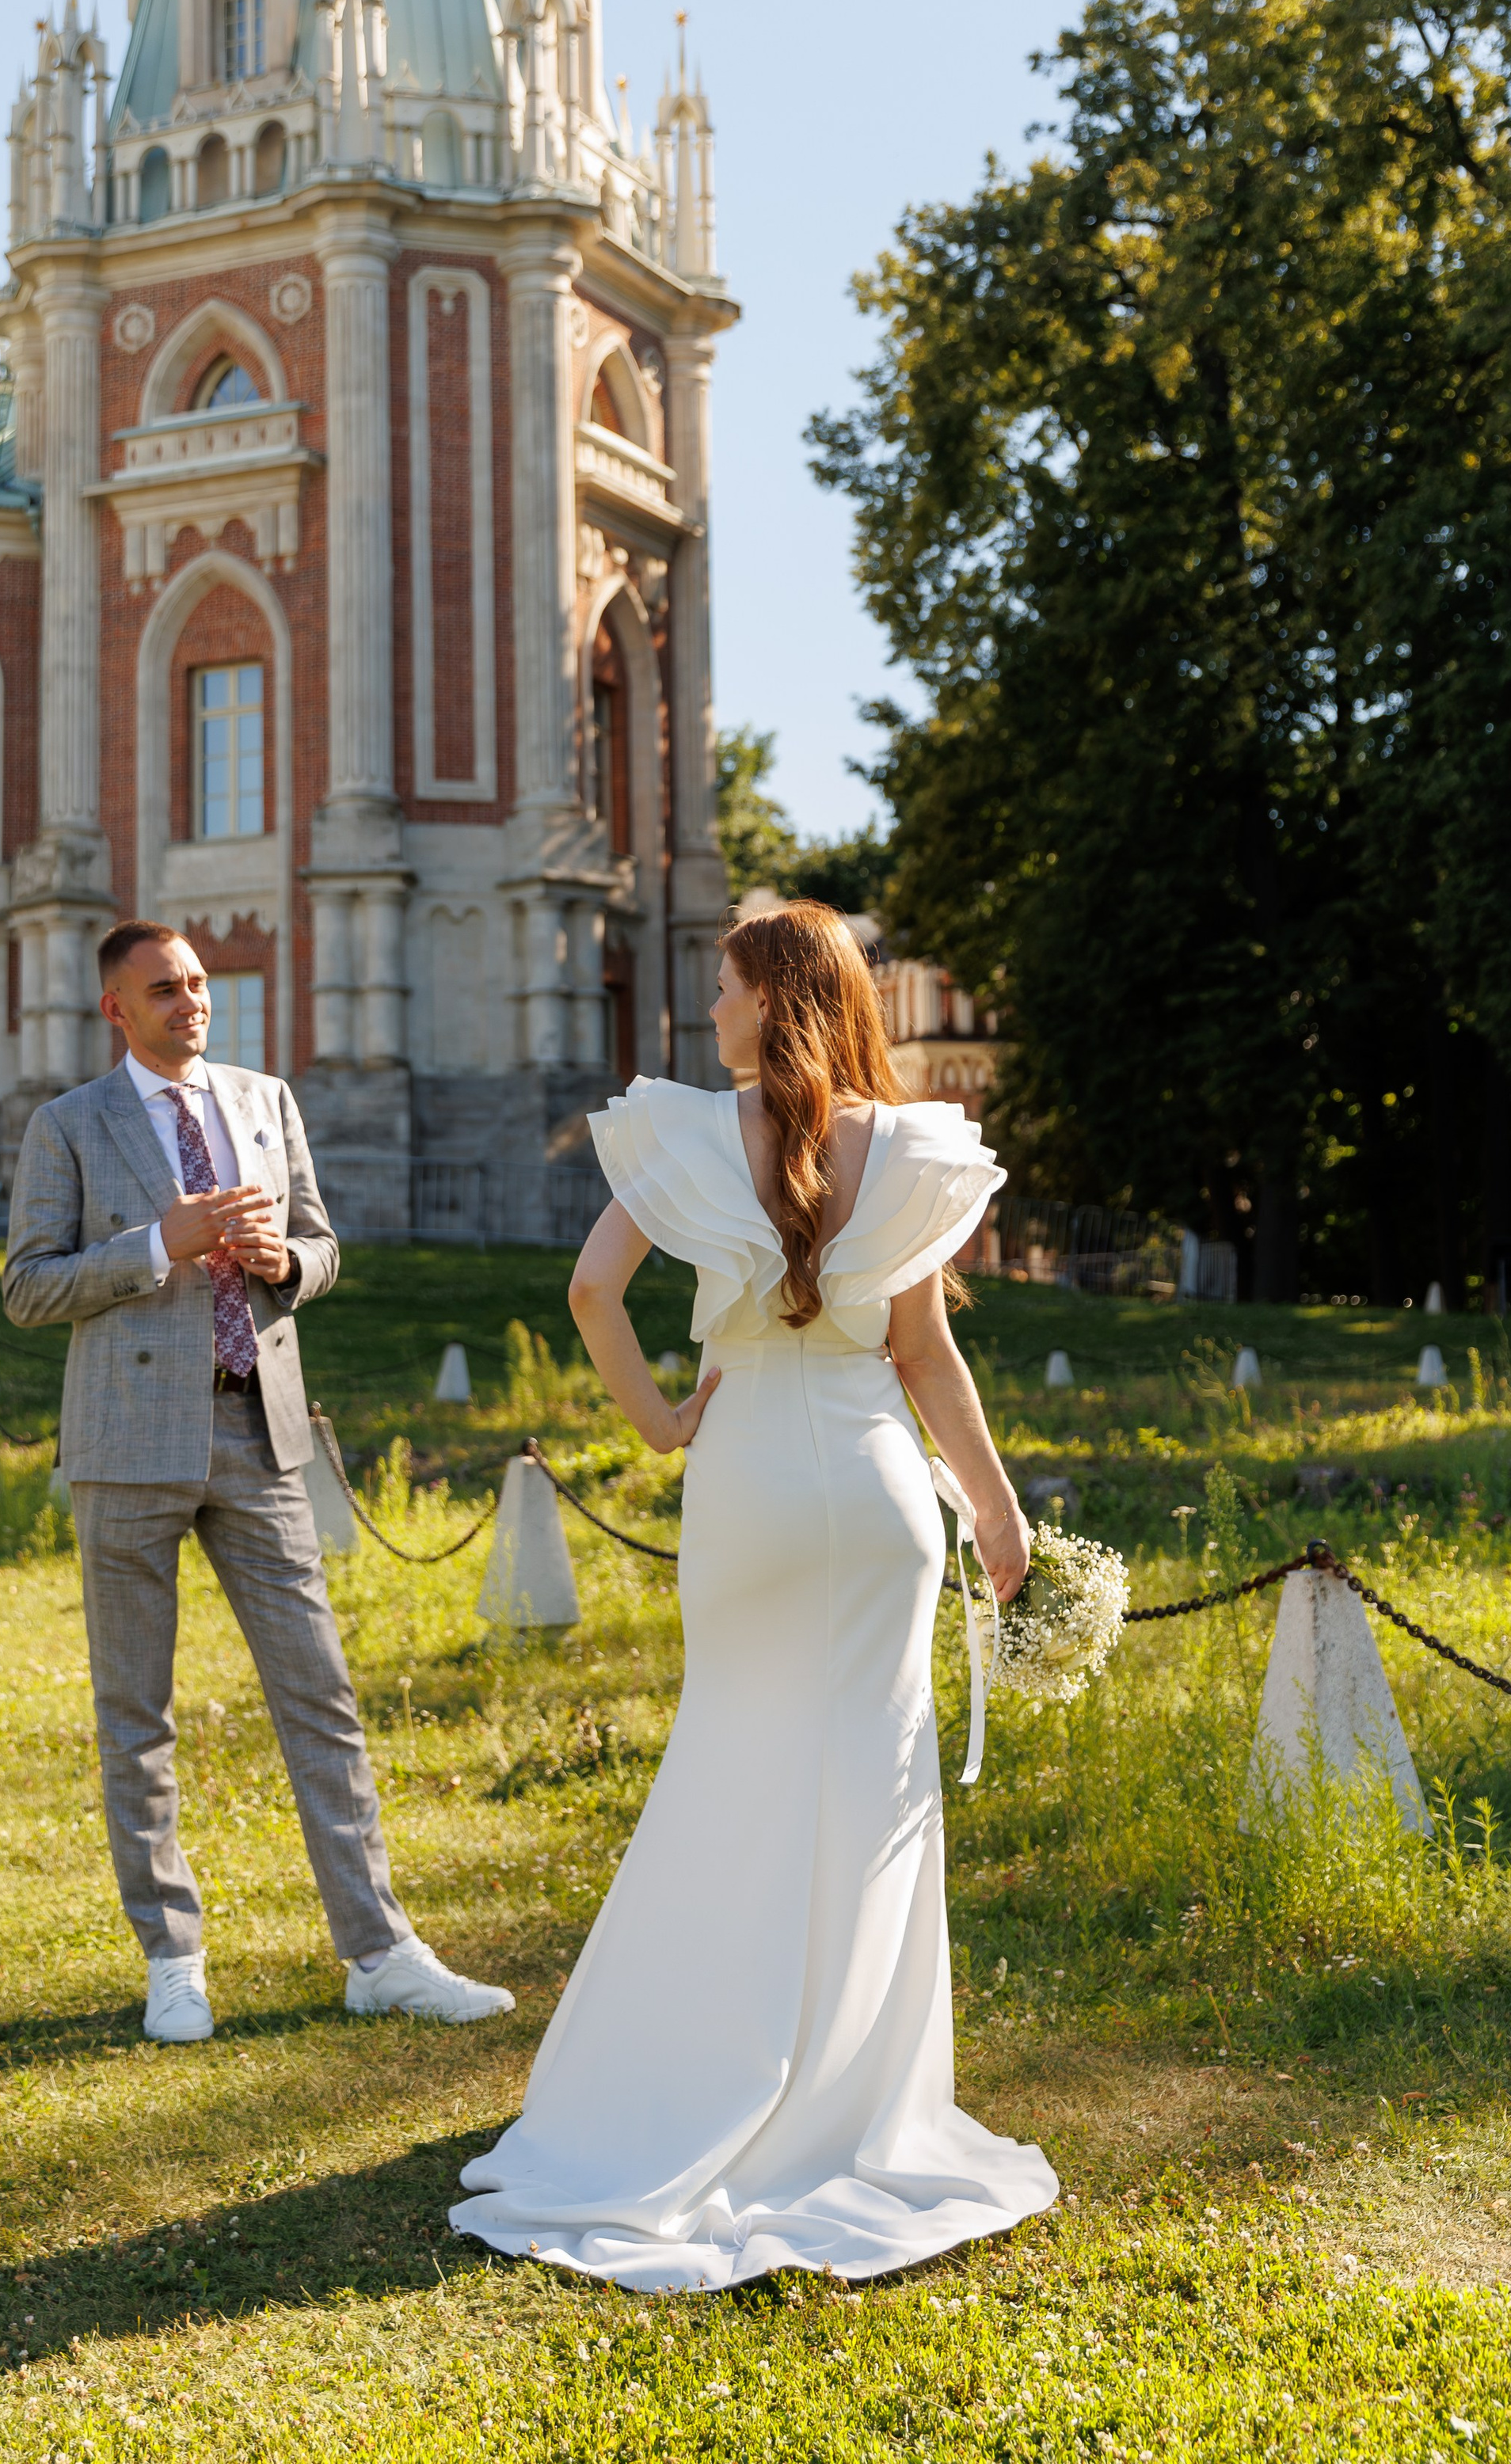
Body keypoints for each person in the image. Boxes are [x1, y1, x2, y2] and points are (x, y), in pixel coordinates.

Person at [450, 900, 1056, 2290]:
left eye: (721, 987)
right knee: (870, 1796)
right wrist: (997, 1506)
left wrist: (664, 1424)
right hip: (879, 1494)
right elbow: (924, 1359)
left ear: (768, 999)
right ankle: (854, 2106)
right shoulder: (902, 1150)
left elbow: (592, 1291)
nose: (707, 1009)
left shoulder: (687, 1135)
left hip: (749, 1489)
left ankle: (688, 2089)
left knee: (731, 1772)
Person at [3, 920, 512, 2042]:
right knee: (136, 1712)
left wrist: (288, 1264)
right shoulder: (68, 1126)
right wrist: (158, 1244)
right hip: (127, 1444)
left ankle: (379, 1951)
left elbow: (325, 1247)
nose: (191, 1003)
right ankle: (173, 1957)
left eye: (198, 983)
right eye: (164, 990)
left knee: (320, 1697)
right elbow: (28, 1289)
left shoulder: (267, 1101)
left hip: (260, 1431)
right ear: (116, 1011)